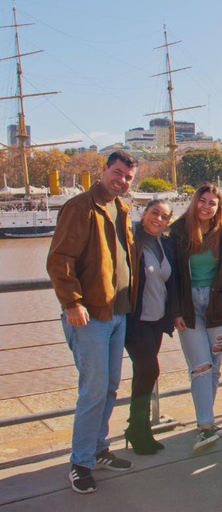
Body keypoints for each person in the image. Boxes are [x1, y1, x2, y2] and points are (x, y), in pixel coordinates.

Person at [47, 150, 139, 493]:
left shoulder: (122, 208)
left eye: (129, 177)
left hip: (118, 312)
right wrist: (71, 302)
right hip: (90, 316)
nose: (123, 180)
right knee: (93, 390)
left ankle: (99, 448)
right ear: (104, 170)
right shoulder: (80, 207)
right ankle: (80, 462)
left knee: (111, 386)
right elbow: (59, 260)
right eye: (118, 173)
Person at [170, 184, 222, 452]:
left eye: (212, 202)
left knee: (214, 364)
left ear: (218, 206)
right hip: (189, 307)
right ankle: (204, 426)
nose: (206, 206)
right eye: (202, 200)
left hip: (218, 306)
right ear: (194, 202)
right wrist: (174, 311)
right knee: (201, 366)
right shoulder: (178, 231)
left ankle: (207, 422)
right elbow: (173, 276)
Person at [124, 199, 175, 455]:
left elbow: (170, 282)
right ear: (144, 214)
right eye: (154, 213)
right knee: (150, 370)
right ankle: (136, 428)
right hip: (136, 320)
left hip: (157, 320)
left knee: (143, 375)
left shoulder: (164, 244)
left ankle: (141, 429)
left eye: (164, 216)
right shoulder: (132, 240)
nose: (158, 219)